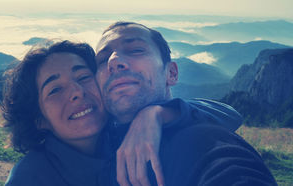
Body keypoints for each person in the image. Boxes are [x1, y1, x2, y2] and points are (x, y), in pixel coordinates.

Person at [2, 40, 244, 186]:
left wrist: (156, 114)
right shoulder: (31, 176)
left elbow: (229, 115)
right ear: (39, 119)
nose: (76, 92)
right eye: (55, 89)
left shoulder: (122, 135)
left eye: (84, 77)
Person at [95, 21, 277, 186]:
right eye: (103, 60)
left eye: (135, 50)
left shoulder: (202, 142)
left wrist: (158, 113)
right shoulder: (92, 142)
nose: (114, 61)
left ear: (171, 73)